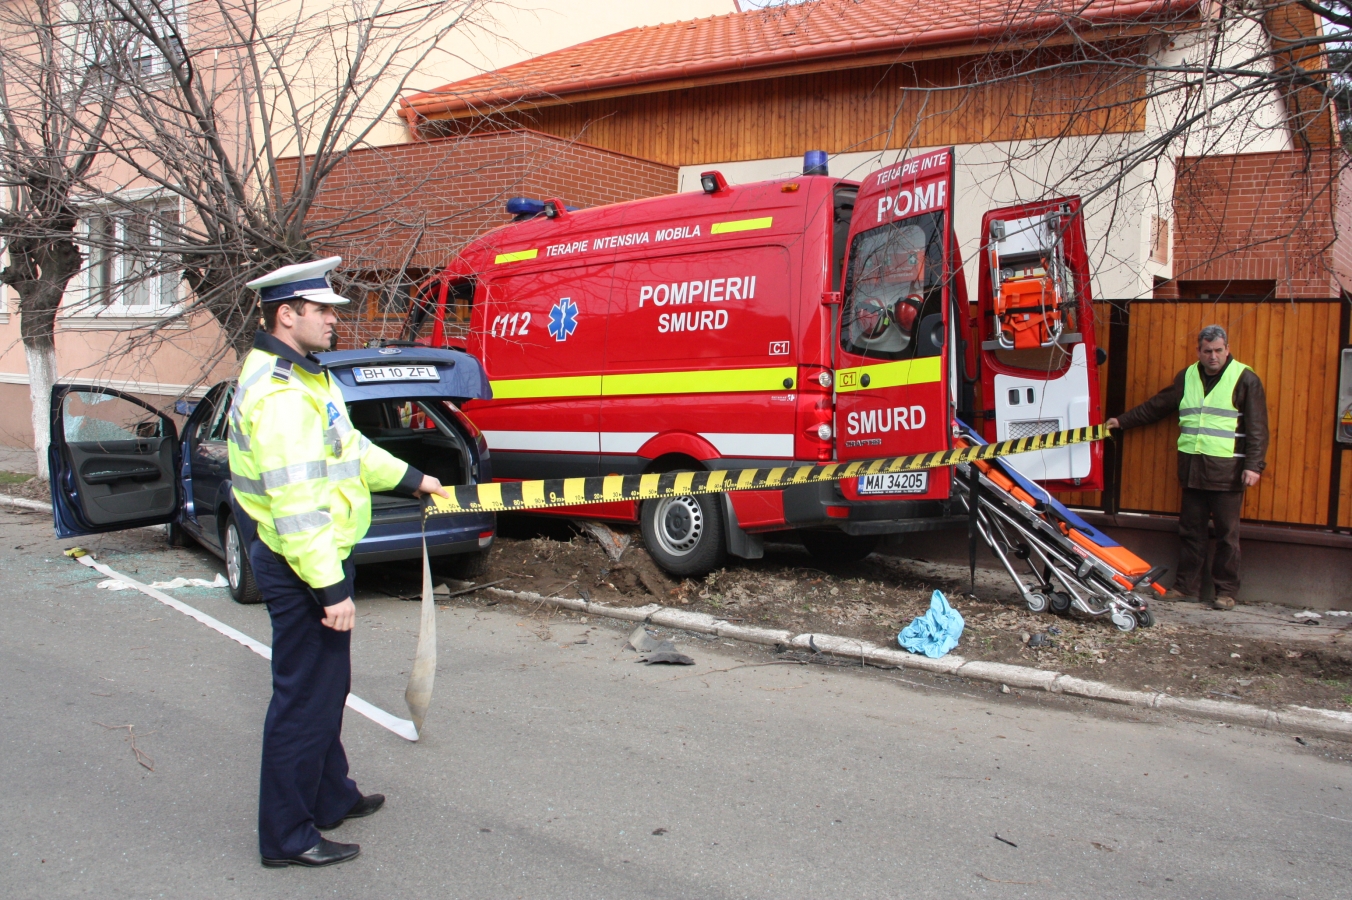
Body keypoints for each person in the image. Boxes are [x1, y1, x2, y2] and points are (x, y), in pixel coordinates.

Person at [227, 257, 449, 868]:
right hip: (302, 566)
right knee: (304, 701)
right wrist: (330, 589)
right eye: (322, 310)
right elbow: (296, 505)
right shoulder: (280, 396)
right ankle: (287, 837)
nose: (334, 320)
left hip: (315, 560)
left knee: (326, 690)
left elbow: (349, 449)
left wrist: (413, 478)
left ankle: (330, 796)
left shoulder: (305, 379)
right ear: (286, 314)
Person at [1107, 324, 1267, 610]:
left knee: (1227, 536)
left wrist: (1253, 466)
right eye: (1207, 351)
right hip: (1192, 470)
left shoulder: (1245, 379)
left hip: (1228, 472)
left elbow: (1258, 428)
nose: (1213, 356)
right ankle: (1186, 588)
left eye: (1218, 350)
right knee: (1191, 533)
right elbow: (1157, 406)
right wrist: (1122, 421)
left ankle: (1226, 592)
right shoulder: (1187, 376)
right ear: (1198, 351)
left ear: (1227, 349)